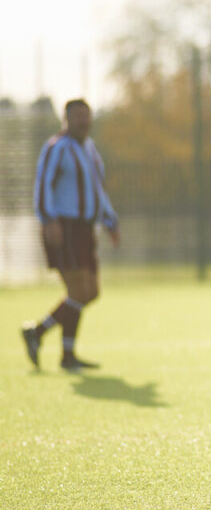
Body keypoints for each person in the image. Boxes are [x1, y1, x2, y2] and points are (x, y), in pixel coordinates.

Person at [21, 99, 120, 371]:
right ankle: (67, 356)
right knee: (78, 291)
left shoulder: (89, 148)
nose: (83, 122)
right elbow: (43, 185)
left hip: (86, 228)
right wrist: (48, 219)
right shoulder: (57, 147)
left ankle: (37, 332)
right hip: (64, 227)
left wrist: (110, 220)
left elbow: (98, 190)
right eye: (78, 117)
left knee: (91, 292)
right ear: (67, 119)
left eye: (86, 116)